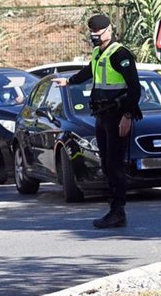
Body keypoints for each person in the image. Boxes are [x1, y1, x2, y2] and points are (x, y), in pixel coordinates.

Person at [54, 14, 142, 228]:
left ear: (109, 31)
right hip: (102, 115)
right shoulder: (97, 53)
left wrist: (128, 116)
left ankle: (118, 211)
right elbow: (88, 72)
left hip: (117, 115)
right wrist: (69, 81)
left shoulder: (120, 54)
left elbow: (135, 88)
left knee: (115, 164)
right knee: (106, 163)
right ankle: (113, 209)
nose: (94, 36)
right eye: (91, 33)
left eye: (98, 33)